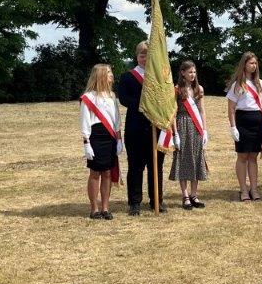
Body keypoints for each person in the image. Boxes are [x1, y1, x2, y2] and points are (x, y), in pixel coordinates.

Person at [117, 41, 164, 215]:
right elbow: (124, 99)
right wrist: (144, 104)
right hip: (136, 127)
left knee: (156, 166)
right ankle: (135, 202)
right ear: (137, 56)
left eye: (148, 55)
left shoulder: (160, 77)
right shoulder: (128, 76)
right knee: (136, 166)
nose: (145, 59)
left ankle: (156, 200)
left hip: (156, 126)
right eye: (143, 55)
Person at [80, 64, 123, 219]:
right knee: (95, 173)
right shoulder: (88, 97)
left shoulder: (112, 96)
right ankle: (94, 209)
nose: (112, 75)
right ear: (101, 75)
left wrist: (119, 139)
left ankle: (105, 207)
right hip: (96, 136)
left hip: (110, 136)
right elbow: (85, 121)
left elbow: (116, 119)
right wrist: (86, 143)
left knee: (107, 173)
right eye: (109, 73)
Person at [226, 51, 262, 201]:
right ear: (244, 64)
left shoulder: (260, 83)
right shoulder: (237, 85)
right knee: (243, 156)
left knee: (253, 157)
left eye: (255, 63)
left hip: (257, 121)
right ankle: (243, 190)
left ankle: (254, 189)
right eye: (251, 63)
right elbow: (231, 108)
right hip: (243, 121)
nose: (254, 66)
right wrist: (233, 127)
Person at [170, 60, 208, 209]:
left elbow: (202, 110)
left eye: (194, 72)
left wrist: (205, 130)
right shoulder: (177, 89)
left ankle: (194, 194)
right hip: (182, 125)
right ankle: (185, 195)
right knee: (184, 159)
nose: (192, 75)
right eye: (190, 72)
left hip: (196, 126)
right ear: (182, 73)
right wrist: (175, 134)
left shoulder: (199, 89)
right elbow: (173, 113)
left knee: (196, 159)